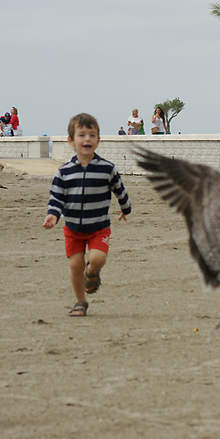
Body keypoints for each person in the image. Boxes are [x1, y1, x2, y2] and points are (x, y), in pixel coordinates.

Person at [42, 113, 132, 317]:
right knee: (75, 265)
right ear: (71, 141)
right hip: (72, 228)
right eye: (82, 135)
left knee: (97, 258)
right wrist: (53, 215)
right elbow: (56, 197)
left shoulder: (107, 168)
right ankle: (80, 302)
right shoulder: (64, 172)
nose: (87, 139)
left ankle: (92, 273)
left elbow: (120, 190)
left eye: (92, 135)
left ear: (98, 140)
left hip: (99, 227)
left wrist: (126, 209)